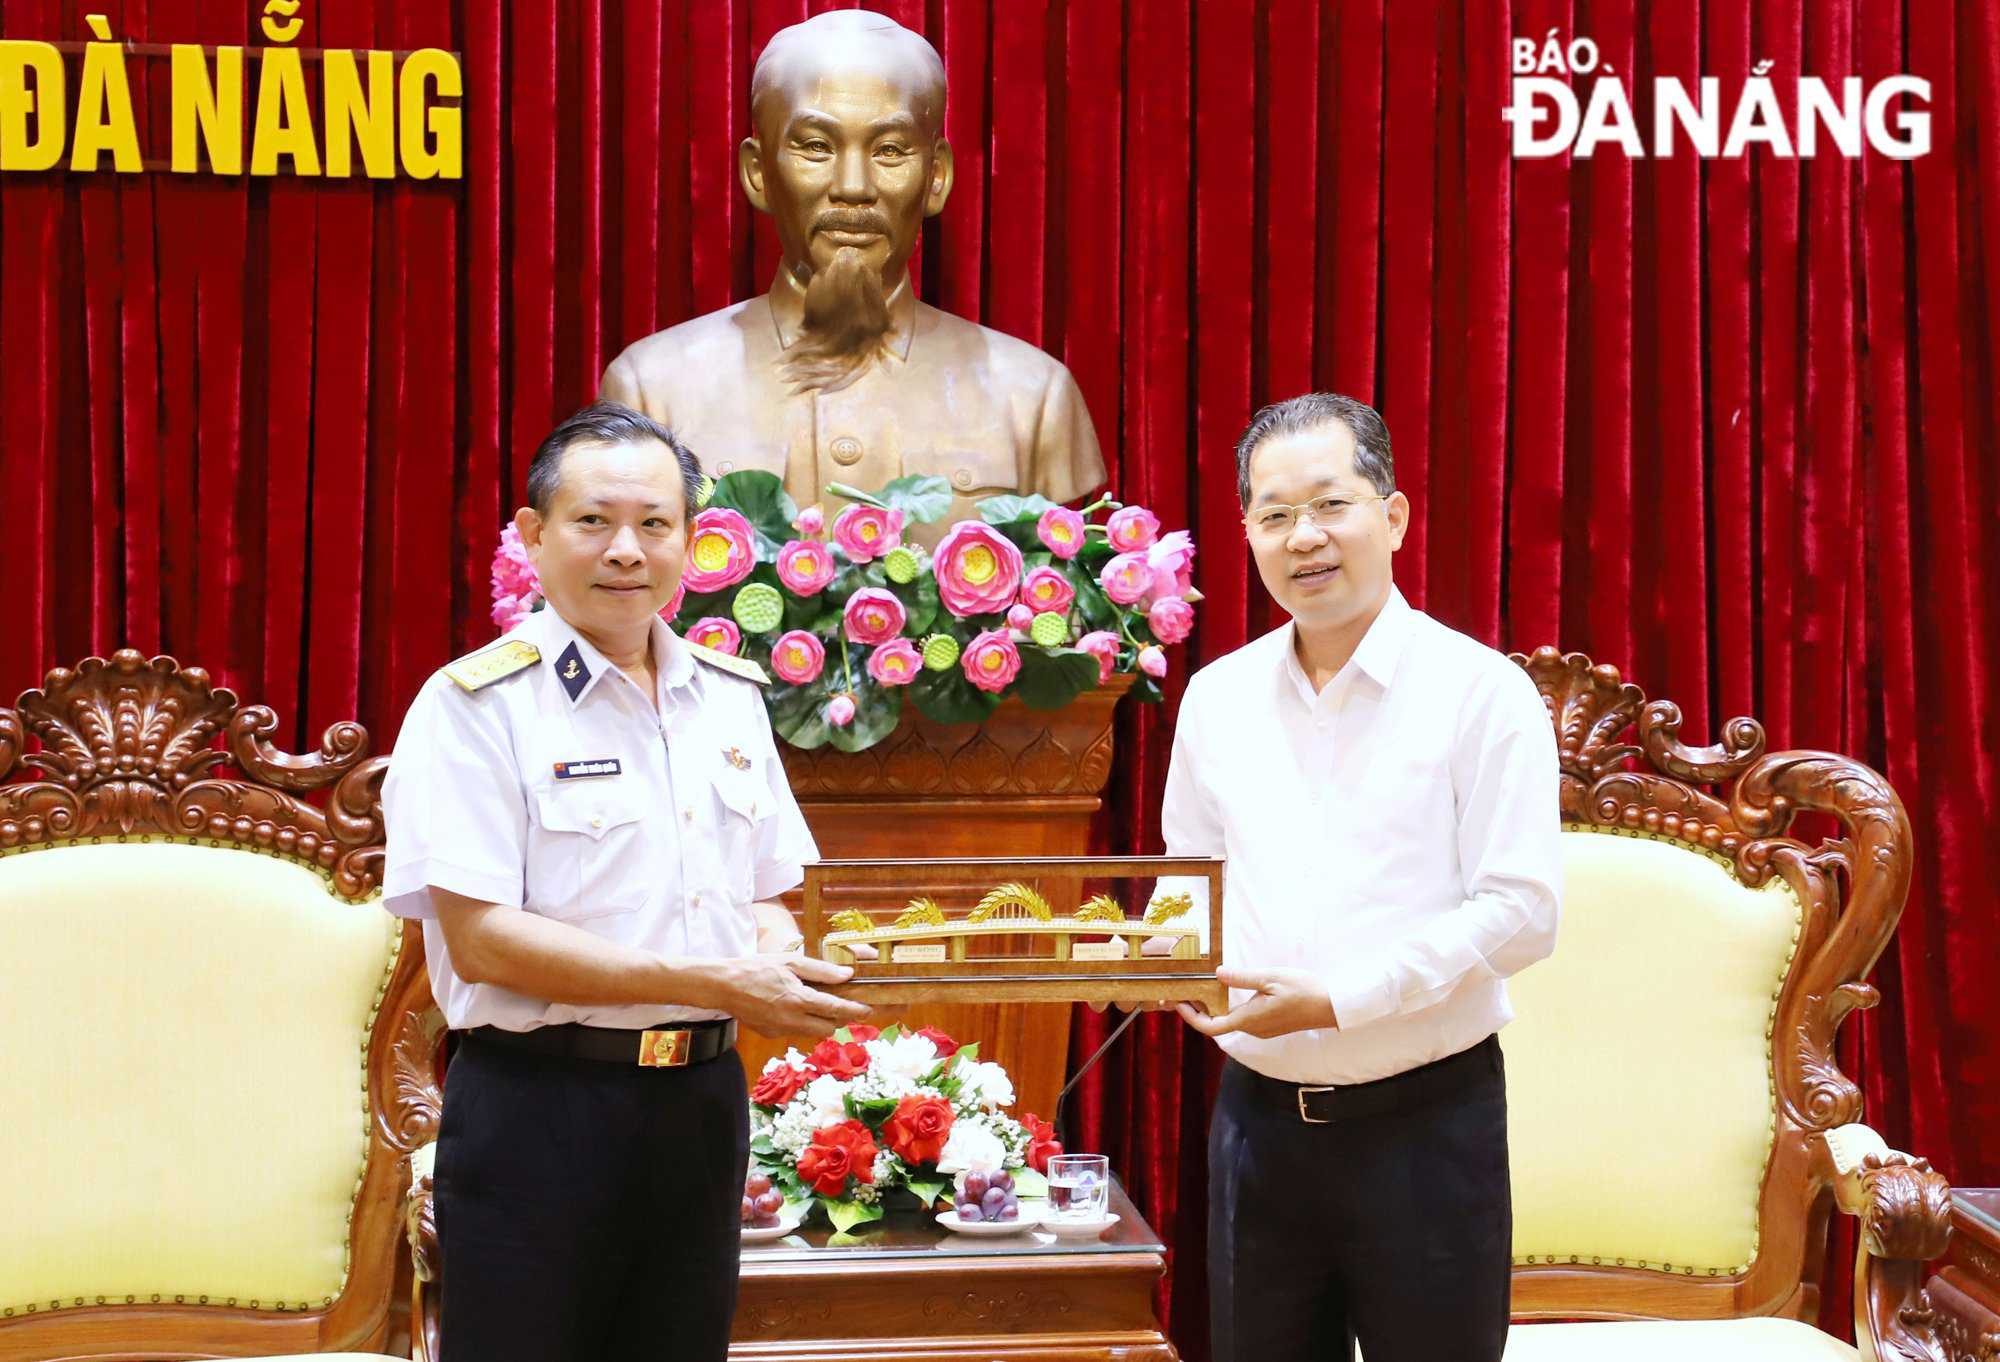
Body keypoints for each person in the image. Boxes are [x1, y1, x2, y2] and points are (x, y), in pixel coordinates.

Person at [381, 400, 873, 1362]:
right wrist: (716, 982)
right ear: (533, 535)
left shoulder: (728, 701)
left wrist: (777, 956)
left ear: (692, 540)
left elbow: (770, 895)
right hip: (540, 1112)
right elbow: (483, 937)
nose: (626, 551)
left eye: (655, 524)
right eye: (594, 521)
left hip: (699, 1110)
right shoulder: (475, 706)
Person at [1162, 394, 1562, 1361]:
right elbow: (1189, 878)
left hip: (1425, 1130)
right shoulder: (1216, 699)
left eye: (1330, 505)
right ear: (1247, 532)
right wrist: (1165, 961)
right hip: (1255, 1130)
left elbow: (1523, 913)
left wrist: (1340, 1000)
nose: (1304, 538)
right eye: (1274, 515)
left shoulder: (1481, 693)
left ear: (1393, 516)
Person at [599, 9, 1104, 535]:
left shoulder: (1033, 398)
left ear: (936, 177)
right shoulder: (651, 391)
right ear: (758, 173)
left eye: (890, 150)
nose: (855, 186)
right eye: (816, 147)